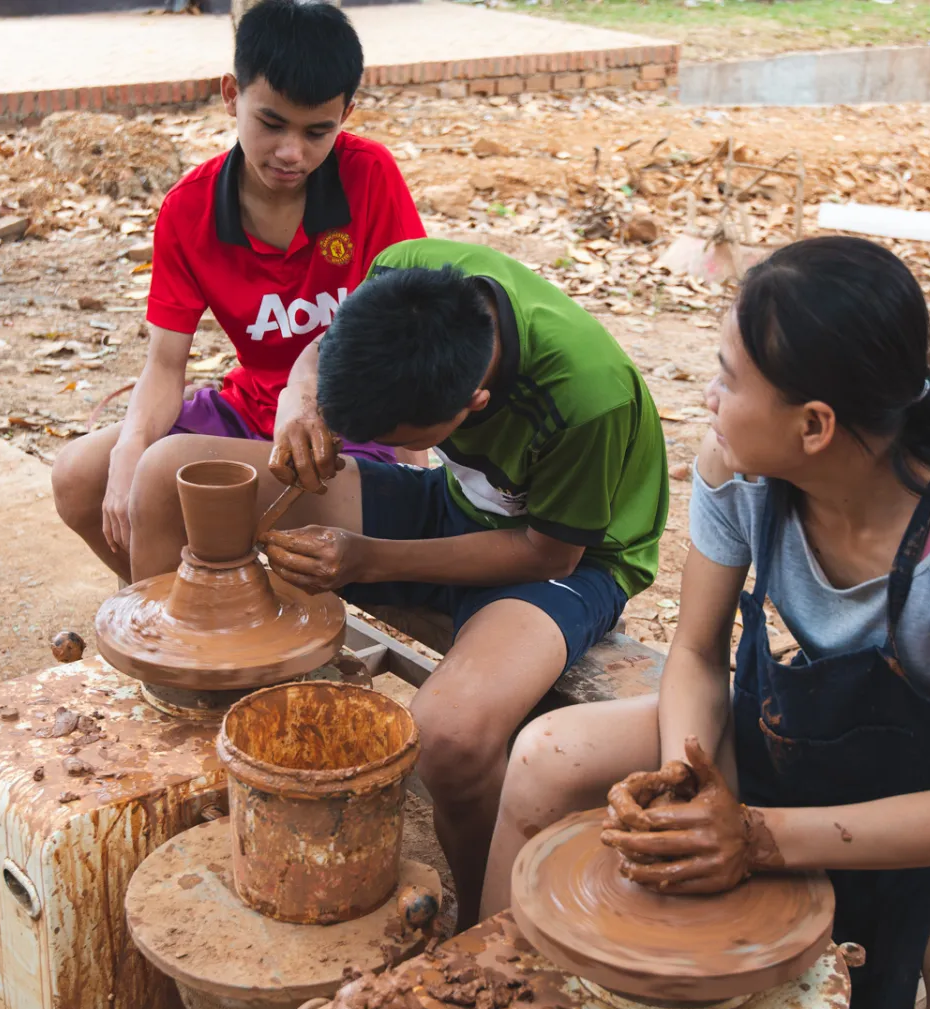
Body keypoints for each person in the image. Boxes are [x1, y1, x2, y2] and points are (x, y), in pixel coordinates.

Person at [483, 237, 930, 1009]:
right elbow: (699, 658)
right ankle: (488, 1008)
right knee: (545, 756)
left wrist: (752, 838)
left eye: (729, 378)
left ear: (815, 424)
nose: (708, 397)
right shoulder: (739, 466)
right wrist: (691, 789)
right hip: (815, 741)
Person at [126, 238, 669, 927]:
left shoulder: (588, 396)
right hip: (453, 500)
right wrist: (301, 404)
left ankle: (481, 922)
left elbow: (546, 554)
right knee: (164, 474)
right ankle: (185, 770)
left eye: (391, 432)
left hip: (570, 558)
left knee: (449, 736)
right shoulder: (405, 273)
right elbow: (320, 351)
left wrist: (369, 560)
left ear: (474, 403)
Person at [53, 0, 426, 583]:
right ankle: (195, 629)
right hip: (245, 415)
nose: (291, 153)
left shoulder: (370, 176)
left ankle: (196, 648)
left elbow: (409, 332)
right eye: (271, 123)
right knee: (80, 474)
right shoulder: (188, 208)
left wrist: (417, 481)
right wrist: (127, 448)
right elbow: (164, 365)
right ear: (232, 94)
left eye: (317, 131)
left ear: (346, 113)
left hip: (355, 441)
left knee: (164, 471)